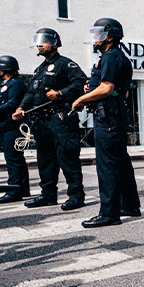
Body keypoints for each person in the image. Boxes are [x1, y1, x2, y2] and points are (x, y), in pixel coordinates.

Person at [72, 18, 139, 227]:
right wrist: (90, 91)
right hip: (114, 117)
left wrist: (82, 99)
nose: (95, 38)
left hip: (108, 118)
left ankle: (108, 213)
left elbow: (107, 88)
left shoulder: (110, 57)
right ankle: (129, 205)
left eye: (98, 34)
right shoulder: (116, 57)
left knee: (107, 166)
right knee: (120, 163)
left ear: (109, 36)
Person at [13, 28, 87, 211]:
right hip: (42, 121)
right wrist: (22, 107)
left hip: (60, 119)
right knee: (45, 160)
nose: (40, 44)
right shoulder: (40, 69)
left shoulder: (65, 64)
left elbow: (80, 83)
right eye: (38, 41)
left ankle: (76, 196)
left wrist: (61, 93)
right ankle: (48, 195)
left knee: (67, 157)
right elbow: (31, 92)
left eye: (44, 41)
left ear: (54, 43)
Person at [0, 55, 31, 202]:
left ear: (3, 69)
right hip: (6, 124)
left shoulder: (15, 84)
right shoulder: (7, 84)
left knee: (13, 158)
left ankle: (14, 189)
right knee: (15, 158)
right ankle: (21, 188)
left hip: (13, 125)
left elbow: (11, 104)